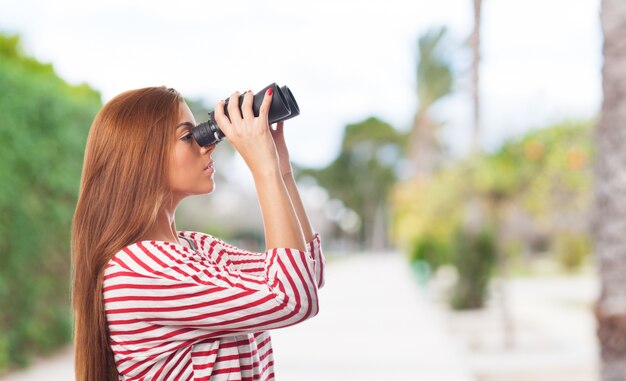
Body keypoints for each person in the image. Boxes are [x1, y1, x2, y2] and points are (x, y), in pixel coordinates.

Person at [71, 86, 325, 381]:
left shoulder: (199, 248)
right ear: (141, 156)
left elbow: (307, 274)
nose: (208, 144)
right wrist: (264, 169)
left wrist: (281, 171)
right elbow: (292, 300)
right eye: (187, 136)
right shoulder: (139, 271)